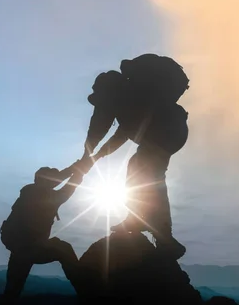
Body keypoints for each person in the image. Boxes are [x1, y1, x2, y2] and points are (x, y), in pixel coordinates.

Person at [78, 54, 190, 259]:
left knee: (146, 174)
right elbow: (122, 134)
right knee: (140, 170)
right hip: (170, 132)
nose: (101, 108)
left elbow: (102, 128)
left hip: (165, 132)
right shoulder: (130, 99)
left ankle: (165, 237)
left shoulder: (126, 100)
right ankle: (144, 222)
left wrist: (89, 154)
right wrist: (94, 155)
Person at [0, 161, 91, 305]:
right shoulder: (48, 197)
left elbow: (62, 176)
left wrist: (81, 164)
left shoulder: (30, 192)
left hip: (18, 247)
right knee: (64, 249)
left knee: (13, 288)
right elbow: (68, 186)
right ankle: (84, 288)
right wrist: (80, 172)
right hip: (31, 247)